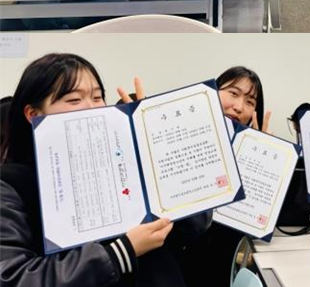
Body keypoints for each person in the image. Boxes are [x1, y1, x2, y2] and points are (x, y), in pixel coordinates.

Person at [0, 53, 211, 287]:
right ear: (33, 114)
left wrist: (157, 153)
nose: (92, 108)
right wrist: (121, 252)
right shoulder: (10, 185)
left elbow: (194, 227)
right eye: (74, 100)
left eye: (97, 97)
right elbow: (14, 277)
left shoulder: (125, 163)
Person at [185, 67, 270, 287]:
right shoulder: (186, 140)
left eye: (250, 102)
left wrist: (267, 165)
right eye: (233, 93)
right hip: (181, 263)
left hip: (225, 266)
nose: (239, 107)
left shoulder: (252, 154)